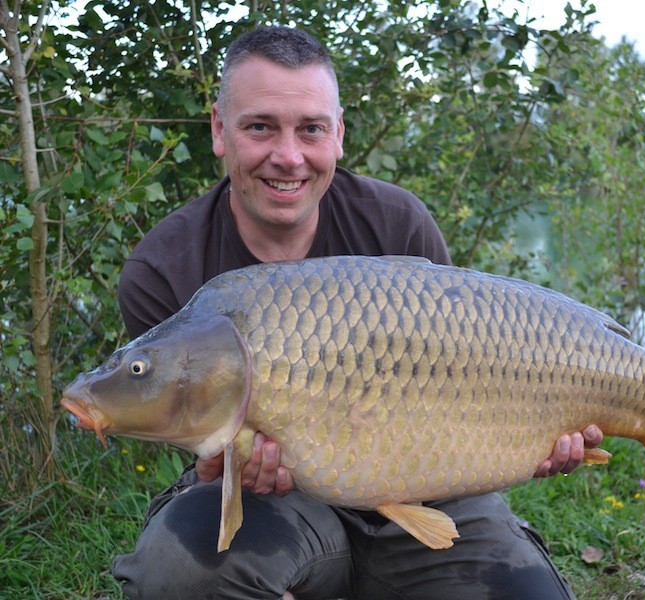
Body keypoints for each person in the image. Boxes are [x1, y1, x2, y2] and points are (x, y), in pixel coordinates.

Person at [111, 26, 604, 599]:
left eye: (311, 129)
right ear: (221, 131)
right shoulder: (163, 268)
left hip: (426, 496)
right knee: (180, 574)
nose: (288, 156)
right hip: (276, 508)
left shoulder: (399, 224)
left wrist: (543, 430)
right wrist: (221, 467)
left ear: (339, 134)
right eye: (260, 126)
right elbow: (189, 430)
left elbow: (472, 379)